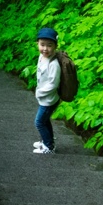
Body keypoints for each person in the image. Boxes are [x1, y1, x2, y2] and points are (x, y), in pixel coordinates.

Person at [33, 26, 60, 154]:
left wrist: (39, 92)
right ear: (37, 44)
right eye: (42, 44)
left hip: (49, 99)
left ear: (55, 46)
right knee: (45, 120)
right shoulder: (42, 57)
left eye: (49, 45)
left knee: (39, 122)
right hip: (44, 97)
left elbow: (53, 84)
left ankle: (48, 147)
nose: (45, 49)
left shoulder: (54, 64)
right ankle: (47, 140)